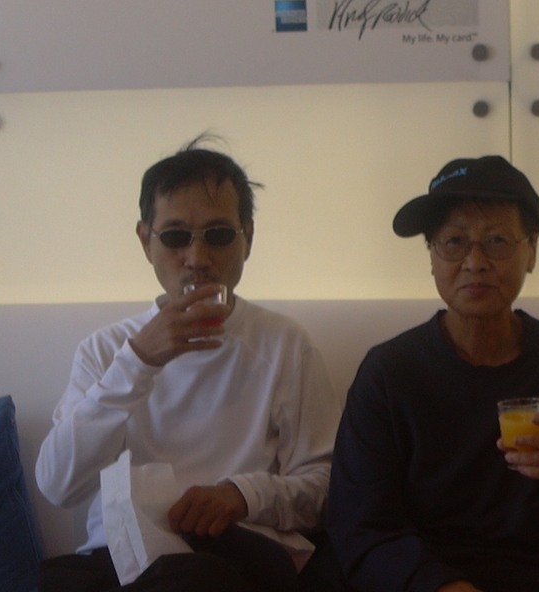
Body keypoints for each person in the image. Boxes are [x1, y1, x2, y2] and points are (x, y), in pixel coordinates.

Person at [327, 155, 539, 592]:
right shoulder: (388, 372)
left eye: (497, 240)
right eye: (454, 241)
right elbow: (360, 528)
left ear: (531, 252)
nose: (475, 261)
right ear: (432, 257)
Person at [35, 137, 342, 592]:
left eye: (218, 235)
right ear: (146, 241)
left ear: (248, 238)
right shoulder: (106, 350)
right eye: (176, 237)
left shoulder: (284, 344)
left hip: (235, 556)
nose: (197, 259)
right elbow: (58, 485)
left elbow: (329, 487)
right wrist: (138, 362)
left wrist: (243, 494)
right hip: (122, 563)